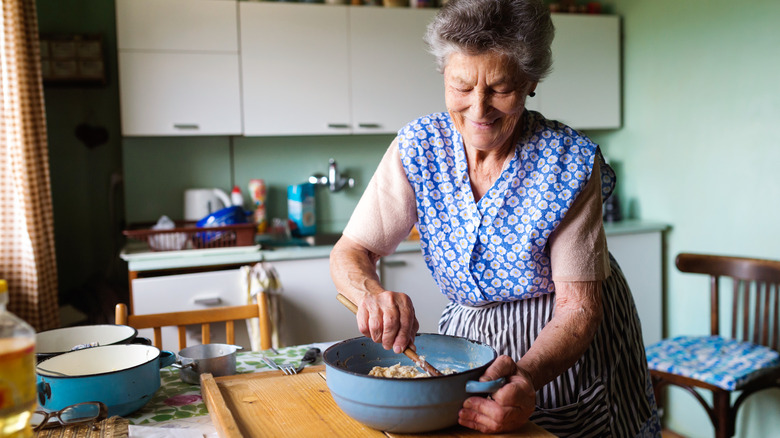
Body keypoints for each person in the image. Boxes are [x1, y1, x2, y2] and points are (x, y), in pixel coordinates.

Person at [329, 0, 661, 436]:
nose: (479, 109)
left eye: (501, 89)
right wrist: (370, 291)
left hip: (563, 339)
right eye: (462, 87)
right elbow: (352, 250)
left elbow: (577, 308)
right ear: (444, 76)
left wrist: (526, 376)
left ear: (530, 82)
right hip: (471, 335)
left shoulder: (569, 163)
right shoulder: (418, 146)